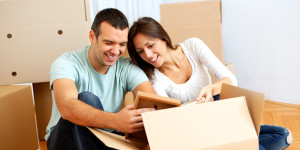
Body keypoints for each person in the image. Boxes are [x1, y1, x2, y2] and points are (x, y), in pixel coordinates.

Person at [127, 17, 293, 150]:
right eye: (140, 51)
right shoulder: (154, 79)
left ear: (162, 38)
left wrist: (211, 89)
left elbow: (230, 79)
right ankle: (241, 141)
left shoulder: (192, 45)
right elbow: (171, 119)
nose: (148, 55)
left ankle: (239, 140)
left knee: (283, 135)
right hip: (194, 131)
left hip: (217, 114)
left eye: (150, 45)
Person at [45, 9, 156, 150]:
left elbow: (153, 102)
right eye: (109, 43)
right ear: (92, 36)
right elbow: (67, 107)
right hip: (65, 140)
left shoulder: (126, 67)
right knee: (87, 99)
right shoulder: (66, 63)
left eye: (122, 44)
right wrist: (116, 120)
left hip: (108, 139)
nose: (116, 51)